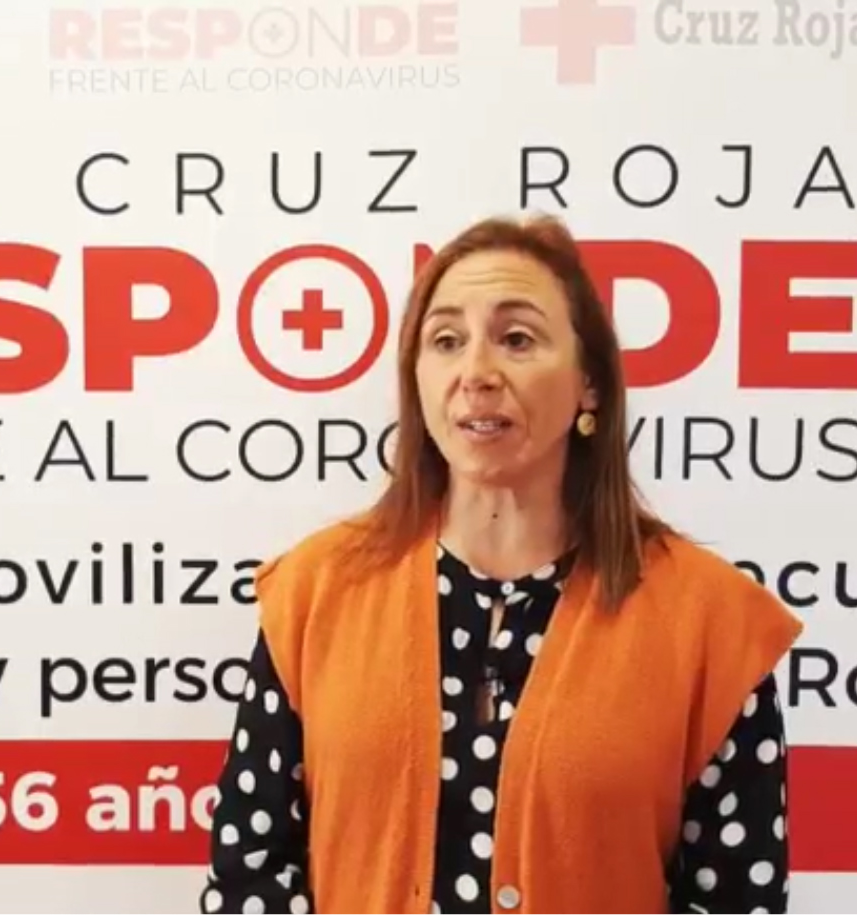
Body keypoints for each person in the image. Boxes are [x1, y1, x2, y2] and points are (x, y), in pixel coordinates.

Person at [197, 213, 805, 914]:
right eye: (446, 341)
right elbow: (249, 873)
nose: (476, 373)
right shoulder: (314, 593)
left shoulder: (711, 625)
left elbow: (735, 901)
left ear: (589, 384)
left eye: (516, 339)